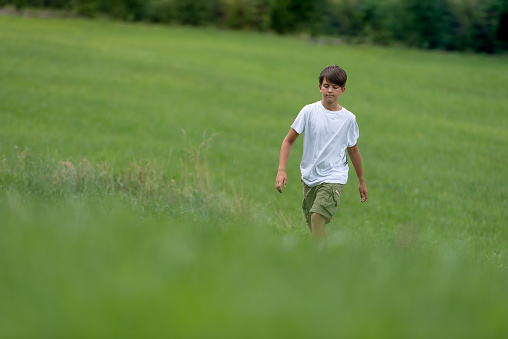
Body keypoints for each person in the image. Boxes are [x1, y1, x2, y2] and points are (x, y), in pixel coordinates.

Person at [275, 65, 368, 244]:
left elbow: (353, 150)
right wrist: (281, 170)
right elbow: (288, 141)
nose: (330, 91)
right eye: (326, 86)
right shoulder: (309, 111)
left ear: (343, 90)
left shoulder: (348, 119)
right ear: (319, 87)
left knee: (317, 218)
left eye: (335, 87)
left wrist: (361, 180)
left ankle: (318, 262)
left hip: (334, 176)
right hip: (310, 176)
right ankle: (327, 260)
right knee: (315, 227)